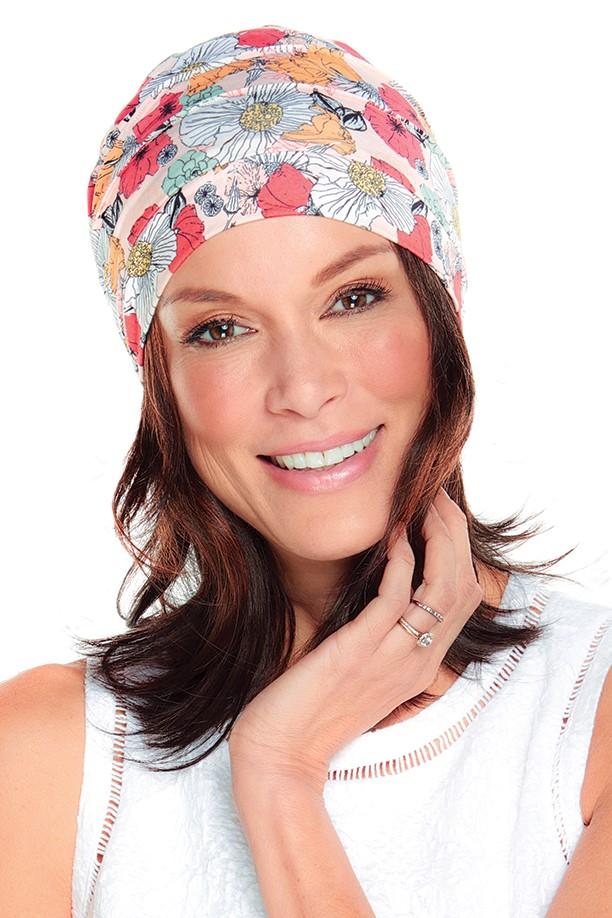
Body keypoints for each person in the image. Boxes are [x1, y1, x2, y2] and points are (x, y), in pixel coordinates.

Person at [0, 23, 610, 918]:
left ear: (439, 316)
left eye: (353, 298)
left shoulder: (589, 717)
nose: (303, 388)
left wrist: (281, 773)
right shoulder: (48, 761)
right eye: (221, 328)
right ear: (161, 380)